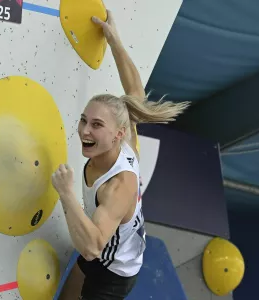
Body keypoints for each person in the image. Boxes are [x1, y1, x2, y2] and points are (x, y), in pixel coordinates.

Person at [51, 10, 190, 300]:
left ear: (117, 133)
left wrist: (65, 194)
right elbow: (135, 91)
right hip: (107, 248)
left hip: (114, 272)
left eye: (96, 125)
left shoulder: (118, 186)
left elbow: (92, 247)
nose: (85, 131)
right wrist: (114, 40)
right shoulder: (126, 139)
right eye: (83, 120)